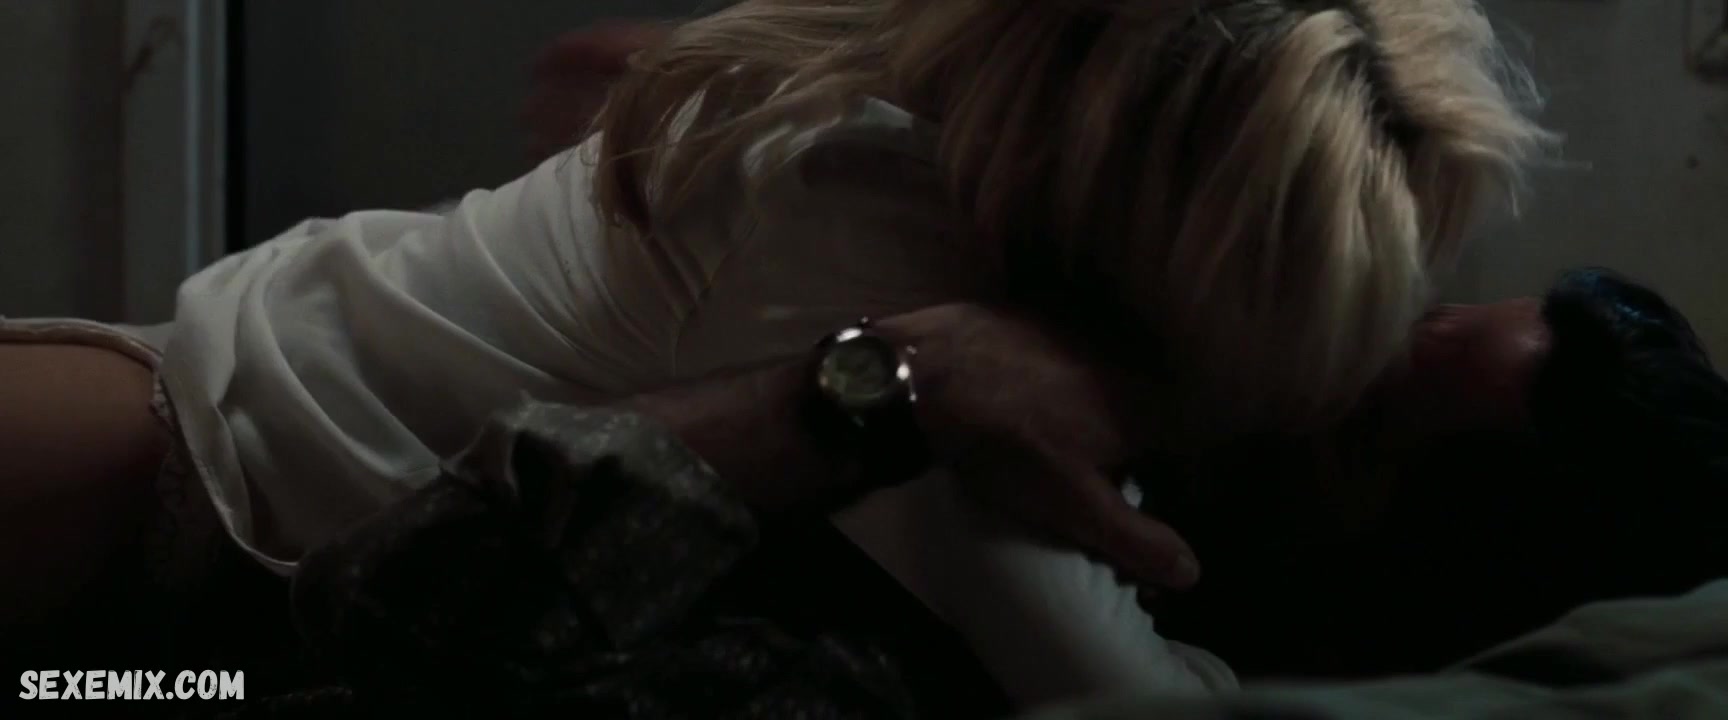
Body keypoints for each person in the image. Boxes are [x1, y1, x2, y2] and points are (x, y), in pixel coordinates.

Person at [0, 0, 1549, 704]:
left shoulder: (920, 153)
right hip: (156, 477)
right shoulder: (884, 255)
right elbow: (1112, 691)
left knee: (116, 697)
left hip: (235, 567)